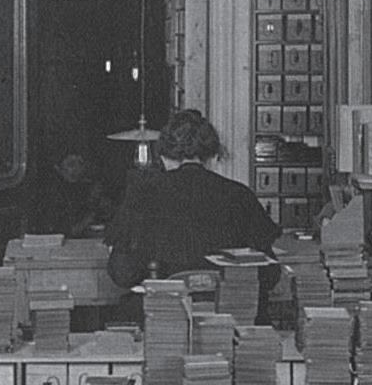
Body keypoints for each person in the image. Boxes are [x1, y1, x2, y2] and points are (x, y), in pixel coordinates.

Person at [103, 109, 279, 289]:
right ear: (211, 157)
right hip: (232, 305)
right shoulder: (240, 195)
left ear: (163, 157)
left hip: (166, 305)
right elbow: (270, 276)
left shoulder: (143, 193)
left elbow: (123, 274)